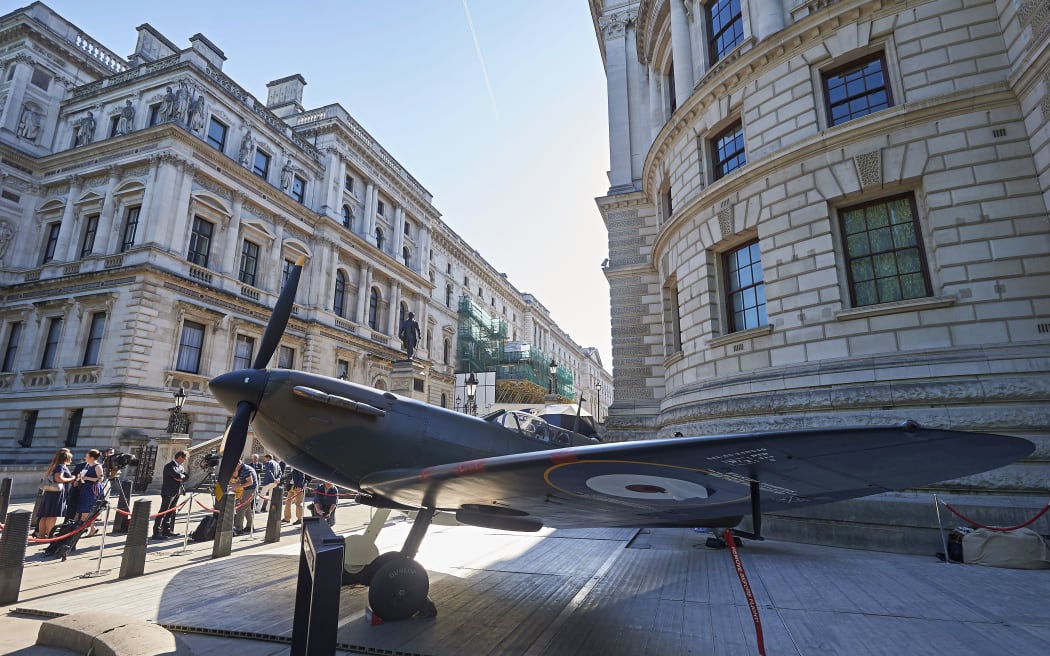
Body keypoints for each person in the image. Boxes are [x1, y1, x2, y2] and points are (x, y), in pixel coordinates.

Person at [36, 448, 75, 539]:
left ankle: (41, 535)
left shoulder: (53, 465)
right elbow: (58, 479)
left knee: (45, 515)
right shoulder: (61, 466)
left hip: (49, 492)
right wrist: (72, 478)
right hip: (57, 493)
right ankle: (50, 535)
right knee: (52, 515)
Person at [152, 450, 187, 540]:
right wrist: (180, 477)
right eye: (184, 458)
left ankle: (167, 530)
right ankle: (156, 532)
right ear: (179, 457)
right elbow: (177, 475)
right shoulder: (169, 466)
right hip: (168, 492)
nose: (185, 460)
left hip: (177, 492)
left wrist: (181, 477)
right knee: (163, 511)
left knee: (171, 512)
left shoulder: (181, 467)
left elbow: (186, 477)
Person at [75, 449, 105, 537]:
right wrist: (79, 477)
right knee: (83, 511)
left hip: (92, 489)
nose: (85, 457)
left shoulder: (97, 466)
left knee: (87, 510)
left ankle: (91, 528)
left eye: (87, 456)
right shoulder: (87, 465)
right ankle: (87, 528)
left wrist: (87, 478)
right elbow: (83, 475)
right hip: (85, 488)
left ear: (91, 457)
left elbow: (100, 479)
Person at [231, 458, 258, 535]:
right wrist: (234, 485)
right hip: (247, 489)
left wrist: (237, 486)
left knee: (241, 508)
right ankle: (250, 526)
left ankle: (238, 529)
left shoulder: (245, 470)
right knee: (247, 509)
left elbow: (250, 482)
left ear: (238, 464)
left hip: (250, 489)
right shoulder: (241, 469)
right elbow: (242, 481)